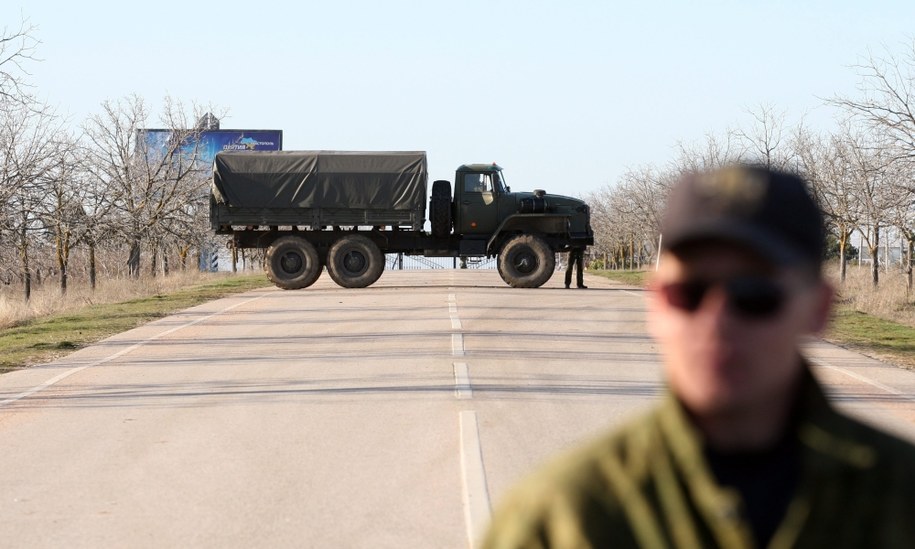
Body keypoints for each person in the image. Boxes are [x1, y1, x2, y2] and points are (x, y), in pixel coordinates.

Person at [483, 165, 915, 548]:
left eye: (755, 295)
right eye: (688, 293)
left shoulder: (899, 499)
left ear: (819, 309)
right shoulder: (561, 521)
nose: (717, 320)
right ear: (656, 305)